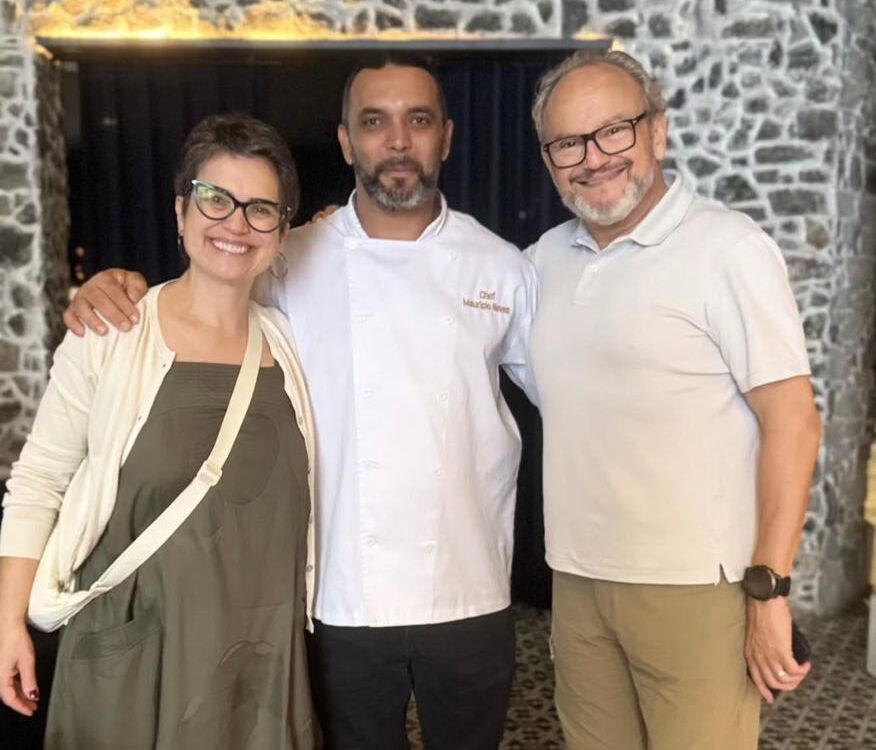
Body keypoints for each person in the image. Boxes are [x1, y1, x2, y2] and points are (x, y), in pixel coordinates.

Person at [60, 57, 539, 750]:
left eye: (419, 120)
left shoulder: (503, 268)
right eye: (374, 122)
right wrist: (119, 286)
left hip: (471, 592)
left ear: (447, 137)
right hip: (337, 595)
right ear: (346, 142)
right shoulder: (289, 257)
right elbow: (200, 307)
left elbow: (563, 396)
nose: (397, 141)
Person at [526, 49, 822, 749]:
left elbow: (795, 423)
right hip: (576, 581)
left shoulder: (727, 249)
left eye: (615, 131)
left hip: (698, 588)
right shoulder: (541, 262)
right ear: (548, 160)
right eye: (569, 142)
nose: (593, 158)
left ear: (657, 131)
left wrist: (770, 592)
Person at [0, 113, 318, 749]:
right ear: (180, 212)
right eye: (214, 199)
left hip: (257, 662)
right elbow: (39, 480)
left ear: (282, 233)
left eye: (261, 209)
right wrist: (8, 621)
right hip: (131, 652)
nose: (235, 223)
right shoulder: (111, 333)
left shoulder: (290, 344)